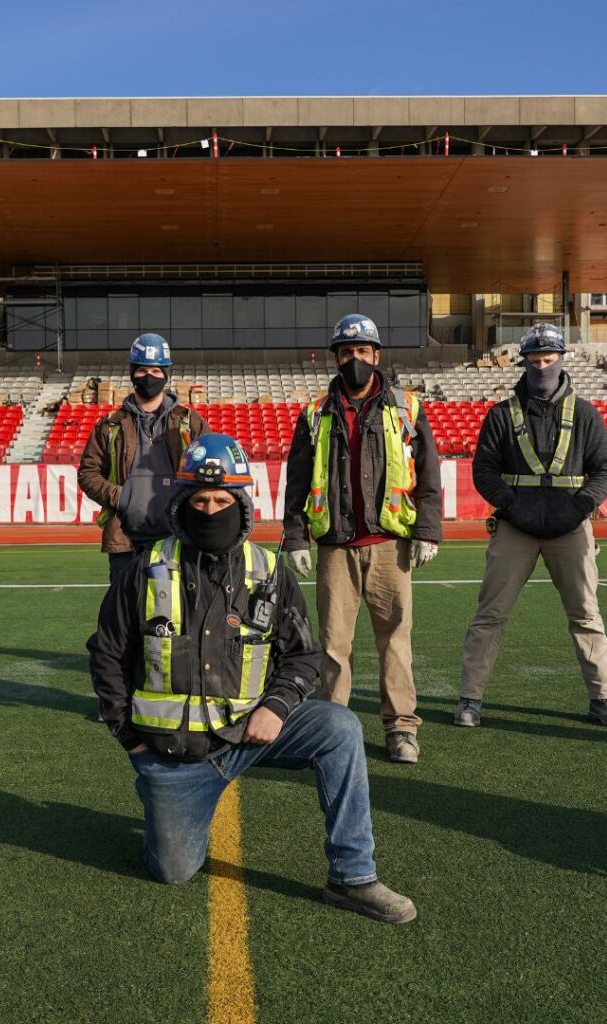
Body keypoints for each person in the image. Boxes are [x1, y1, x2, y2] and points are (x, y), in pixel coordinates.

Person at [88, 434, 417, 925]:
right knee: (173, 871)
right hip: (174, 758)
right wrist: (132, 742)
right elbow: (106, 657)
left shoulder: (269, 572)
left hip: (249, 733)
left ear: (241, 504)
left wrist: (278, 706)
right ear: (181, 503)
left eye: (222, 501)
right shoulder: (145, 570)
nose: (210, 509)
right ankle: (165, 804)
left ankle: (353, 876)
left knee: (339, 727)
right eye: (199, 500)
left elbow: (304, 657)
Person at [454, 323, 607, 729]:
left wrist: (583, 506)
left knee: (586, 615)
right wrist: (510, 505)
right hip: (515, 526)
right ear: (524, 363)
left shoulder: (586, 414)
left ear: (561, 360)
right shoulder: (501, 414)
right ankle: (470, 698)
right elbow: (484, 470)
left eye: (548, 361)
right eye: (534, 362)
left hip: (571, 526)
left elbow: (605, 469)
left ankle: (603, 698)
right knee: (490, 614)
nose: (541, 368)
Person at [283, 314, 442, 765]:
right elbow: (295, 483)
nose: (355, 359)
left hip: (391, 544)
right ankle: (330, 732)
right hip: (336, 547)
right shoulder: (314, 414)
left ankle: (401, 729)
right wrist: (296, 537)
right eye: (346, 352)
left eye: (362, 351)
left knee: (396, 641)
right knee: (333, 646)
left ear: (377, 356)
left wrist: (427, 530)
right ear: (336, 358)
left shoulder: (406, 407)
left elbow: (430, 475)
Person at [78, 333, 210, 582]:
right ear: (132, 373)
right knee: (124, 614)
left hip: (178, 538)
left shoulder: (190, 423)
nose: (149, 377)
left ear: (166, 374)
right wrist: (121, 496)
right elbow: (88, 472)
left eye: (156, 371)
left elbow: (209, 470)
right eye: (142, 370)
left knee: (174, 613)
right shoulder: (110, 425)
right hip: (124, 540)